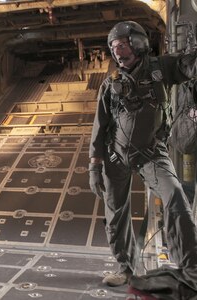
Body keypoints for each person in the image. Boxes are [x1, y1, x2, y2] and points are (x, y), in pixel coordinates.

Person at [88, 21, 197, 287]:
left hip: (151, 153)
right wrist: (94, 167)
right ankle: (125, 267)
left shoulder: (161, 69)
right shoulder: (110, 85)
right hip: (116, 156)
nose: (117, 52)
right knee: (116, 214)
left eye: (122, 46)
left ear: (137, 44)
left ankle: (190, 268)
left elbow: (187, 67)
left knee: (176, 197)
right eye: (113, 48)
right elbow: (99, 127)